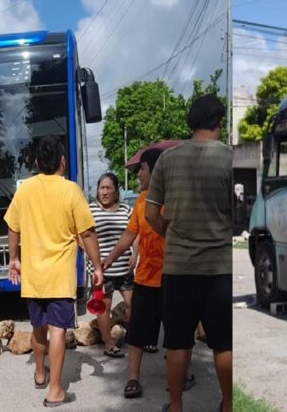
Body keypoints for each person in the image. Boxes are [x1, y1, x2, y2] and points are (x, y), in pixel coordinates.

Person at [144, 93, 233, 412]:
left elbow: (150, 214)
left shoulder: (168, 159)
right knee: (223, 342)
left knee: (178, 342)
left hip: (178, 269)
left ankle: (177, 406)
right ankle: (228, 404)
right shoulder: (228, 158)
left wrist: (170, 232)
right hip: (219, 270)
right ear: (219, 121)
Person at [4, 135, 103, 407]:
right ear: (62, 161)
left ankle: (39, 374)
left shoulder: (24, 190)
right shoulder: (70, 190)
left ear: (36, 162)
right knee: (58, 329)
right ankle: (56, 390)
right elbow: (88, 231)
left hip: (34, 276)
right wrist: (97, 266)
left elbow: (12, 226)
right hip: (59, 276)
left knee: (38, 327)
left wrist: (14, 258)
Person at [103, 148, 168, 399]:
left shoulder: (172, 199)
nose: (138, 174)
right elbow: (129, 236)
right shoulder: (140, 202)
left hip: (173, 277)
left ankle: (182, 376)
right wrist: (108, 259)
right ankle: (133, 379)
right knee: (138, 333)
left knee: (176, 334)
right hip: (145, 279)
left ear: (155, 170)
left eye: (142, 168)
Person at [88, 173, 134, 358]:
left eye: (109, 188)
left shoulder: (126, 209)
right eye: (102, 188)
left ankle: (135, 339)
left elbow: (134, 232)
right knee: (103, 308)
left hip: (124, 269)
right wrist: (91, 258)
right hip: (102, 272)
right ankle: (108, 344)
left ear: (116, 191)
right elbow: (80, 236)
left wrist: (135, 254)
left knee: (133, 305)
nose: (105, 192)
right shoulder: (89, 210)